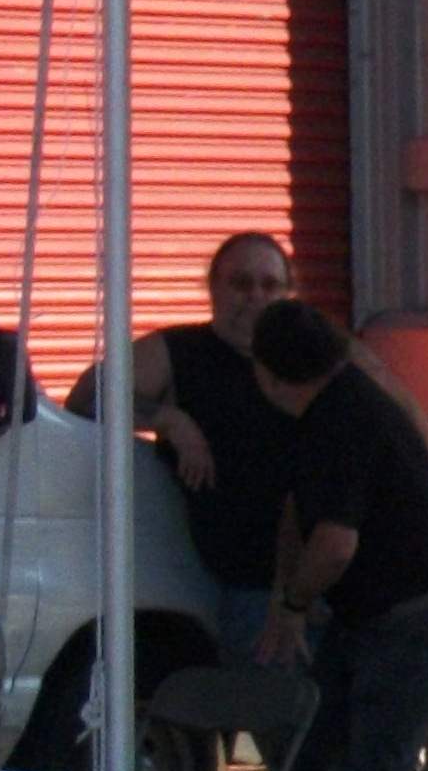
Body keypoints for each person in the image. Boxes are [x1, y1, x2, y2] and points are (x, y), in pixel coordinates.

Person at [248, 300, 428, 771]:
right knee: (313, 761)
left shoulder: (343, 417)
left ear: (268, 372)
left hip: (416, 616)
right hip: (373, 618)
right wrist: (288, 596)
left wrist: (293, 602)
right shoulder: (325, 408)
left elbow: (333, 545)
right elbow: (297, 513)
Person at [128, 233, 301, 661]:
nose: (256, 296)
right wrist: (169, 419)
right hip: (221, 588)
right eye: (241, 283)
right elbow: (89, 399)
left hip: (311, 587)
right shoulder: (176, 351)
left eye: (269, 285)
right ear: (213, 286)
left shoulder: (311, 360)